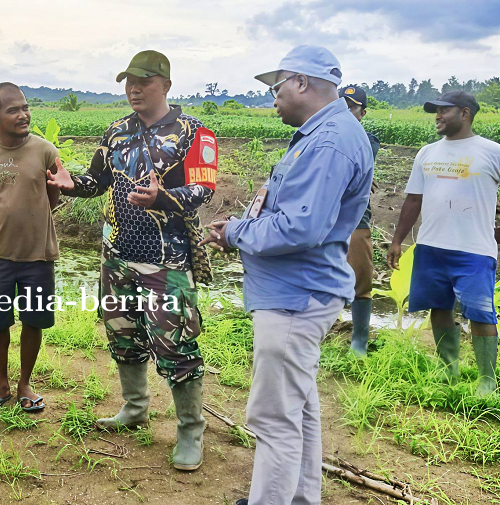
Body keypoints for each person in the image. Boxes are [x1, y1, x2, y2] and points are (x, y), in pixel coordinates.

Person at [202, 46, 374, 504]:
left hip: (295, 296)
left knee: (275, 417)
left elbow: (301, 227)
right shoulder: (325, 133)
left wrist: (236, 232)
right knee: (299, 408)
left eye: (276, 87)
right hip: (300, 291)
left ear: (301, 82)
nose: (272, 98)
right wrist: (241, 229)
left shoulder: (330, 142)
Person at [47, 50, 214, 472]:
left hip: (167, 261)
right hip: (117, 255)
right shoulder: (117, 131)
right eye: (129, 82)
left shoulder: (195, 133)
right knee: (122, 336)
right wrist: (70, 183)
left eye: (144, 82)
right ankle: (135, 408)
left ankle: (190, 430)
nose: (134, 89)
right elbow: (96, 181)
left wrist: (163, 197)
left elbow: (203, 189)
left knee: (176, 345)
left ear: (166, 85)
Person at [387, 91, 500, 397]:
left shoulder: (492, 151)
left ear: (465, 113)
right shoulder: (427, 153)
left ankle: (487, 381)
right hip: (431, 246)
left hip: (474, 249)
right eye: (435, 111)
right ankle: (448, 370)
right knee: (439, 307)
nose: (437, 116)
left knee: (480, 312)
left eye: (443, 110)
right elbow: (413, 200)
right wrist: (397, 240)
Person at [0, 82, 59, 414]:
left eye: (25, 107)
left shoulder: (46, 151)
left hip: (38, 256)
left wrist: (31, 222)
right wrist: (1, 224)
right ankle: (1, 385)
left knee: (34, 321)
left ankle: (25, 384)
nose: (23, 115)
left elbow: (52, 198)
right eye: (13, 110)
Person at [339, 86, 381, 356]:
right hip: (322, 218)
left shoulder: (368, 141)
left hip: (356, 219)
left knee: (360, 277)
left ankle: (359, 341)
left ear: (362, 113)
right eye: (340, 106)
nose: (345, 112)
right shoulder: (320, 136)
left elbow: (352, 170)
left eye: (351, 108)